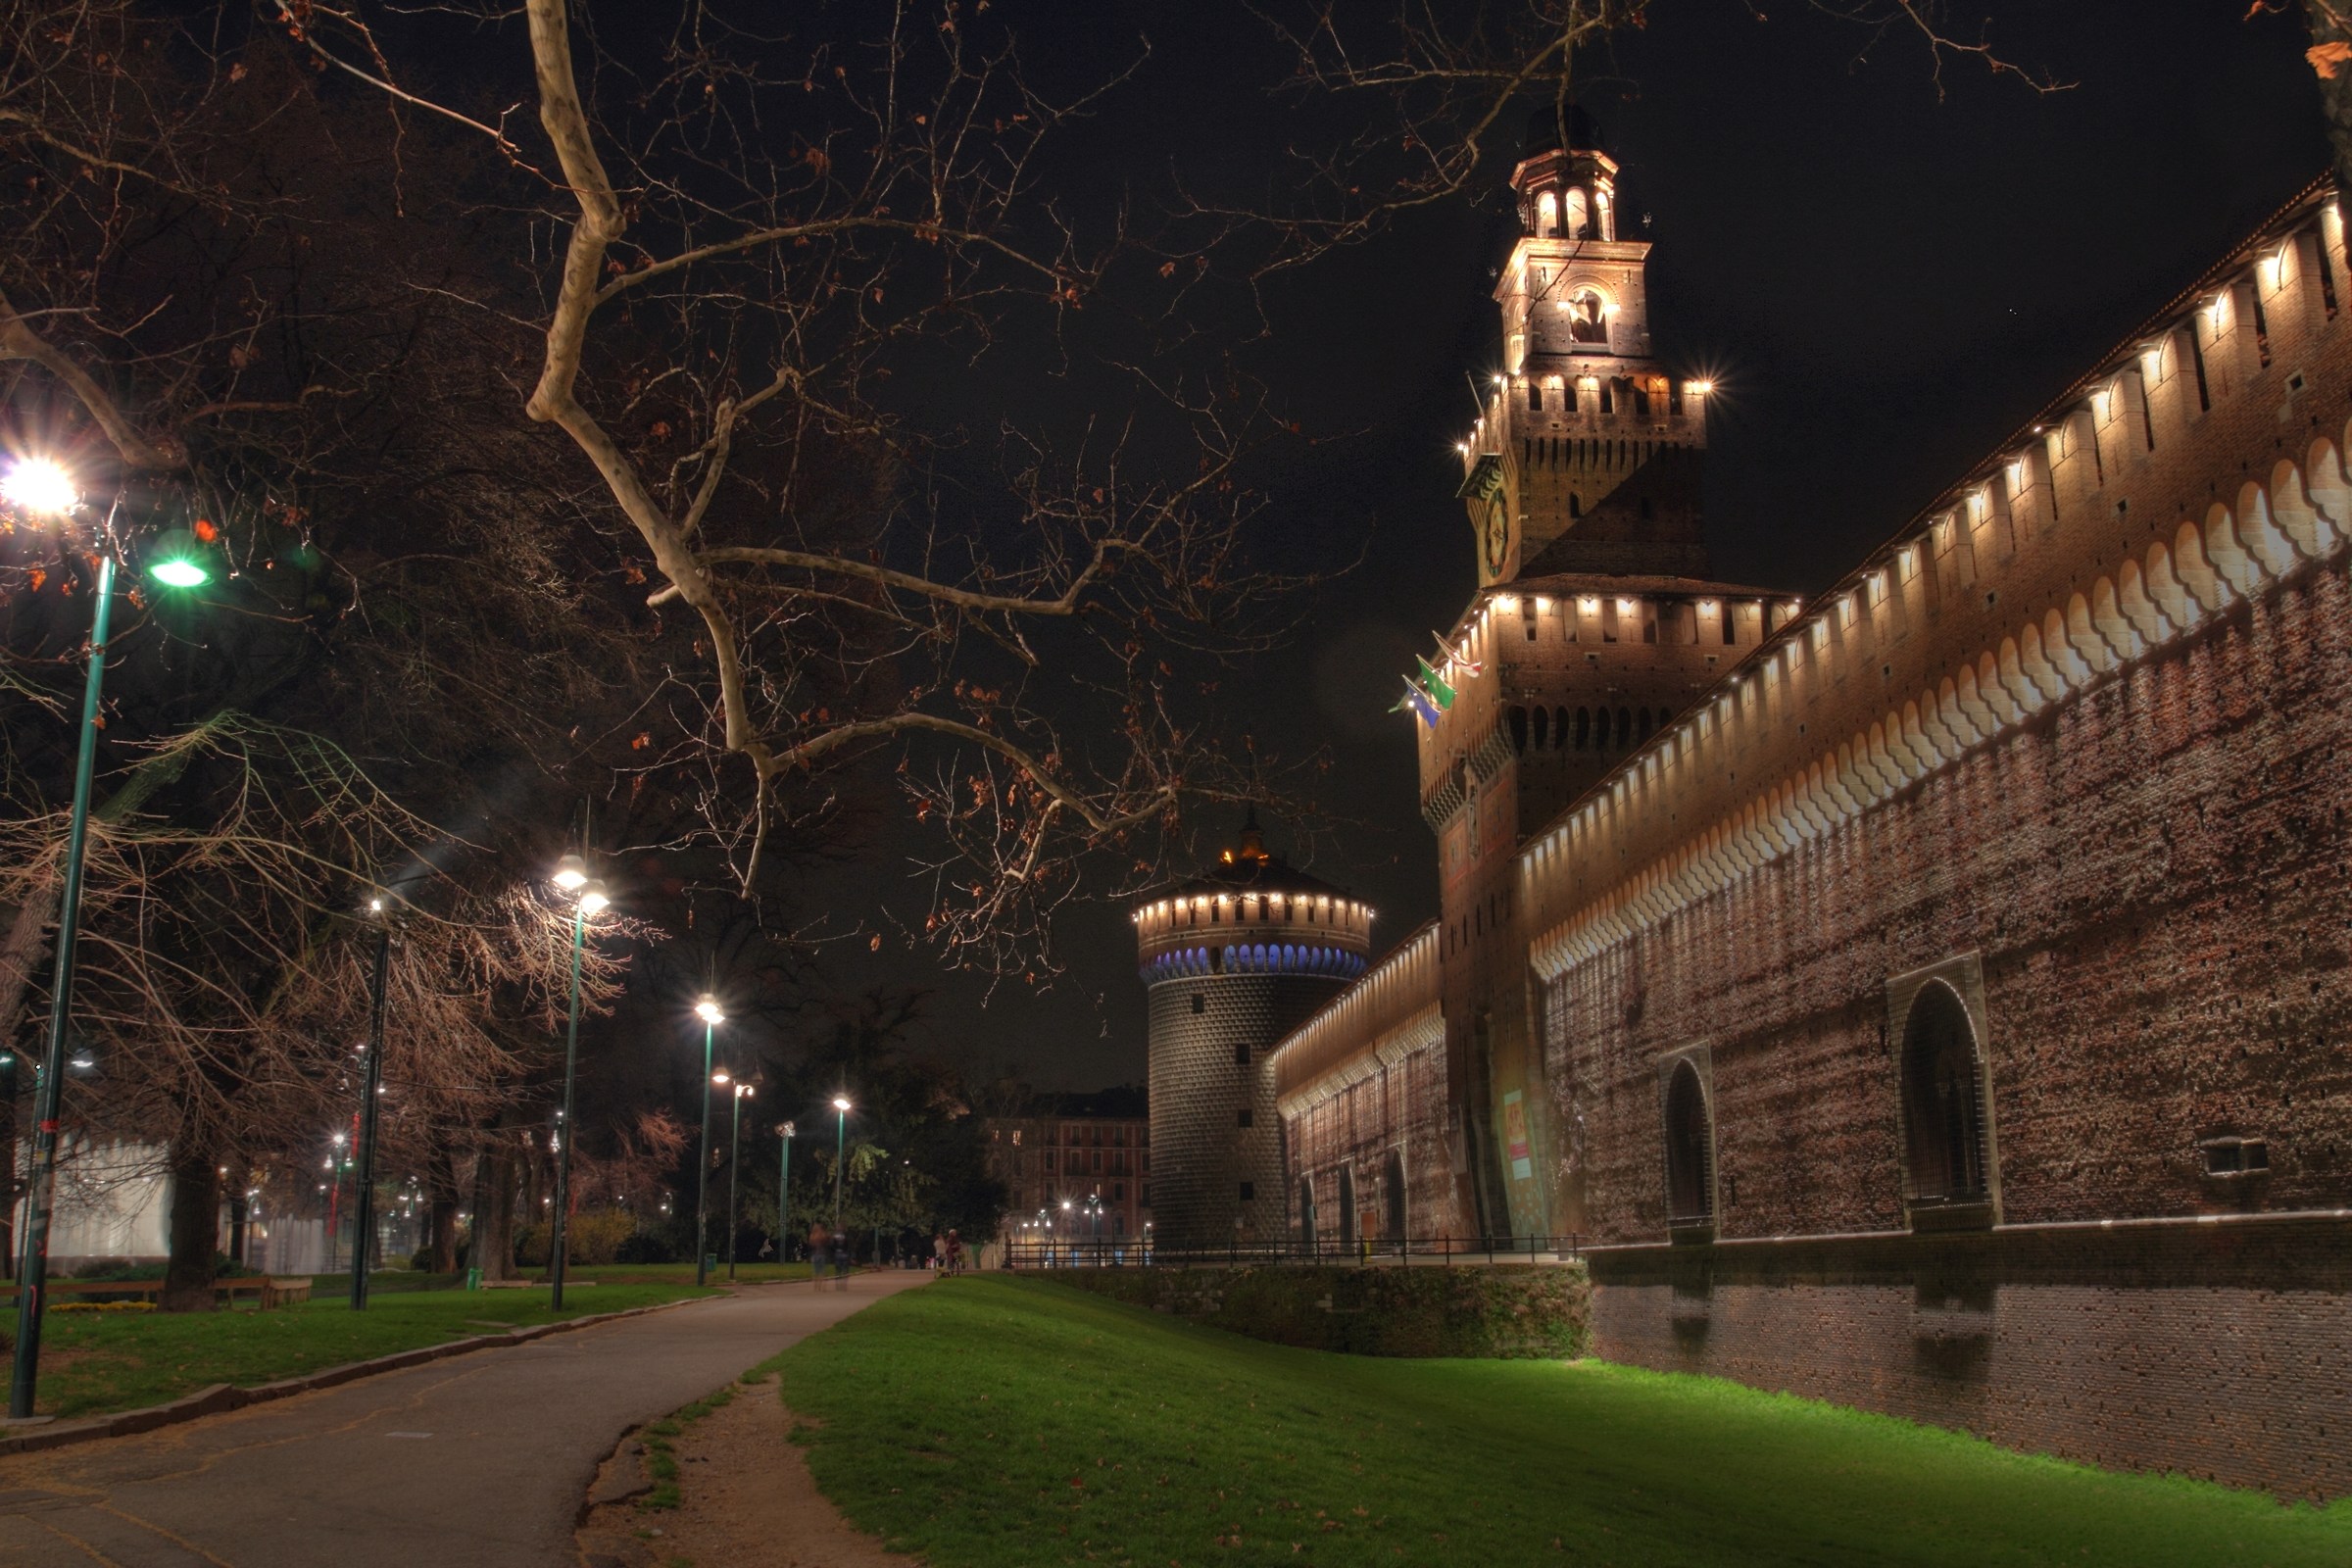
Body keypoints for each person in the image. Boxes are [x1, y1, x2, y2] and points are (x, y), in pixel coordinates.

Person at [808, 1221, 831, 1289]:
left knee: (816, 1271)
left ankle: (816, 1284)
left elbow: (810, 1244)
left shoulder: (812, 1236)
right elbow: (828, 1241)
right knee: (822, 1271)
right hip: (822, 1254)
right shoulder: (823, 1235)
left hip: (815, 1254)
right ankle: (822, 1285)